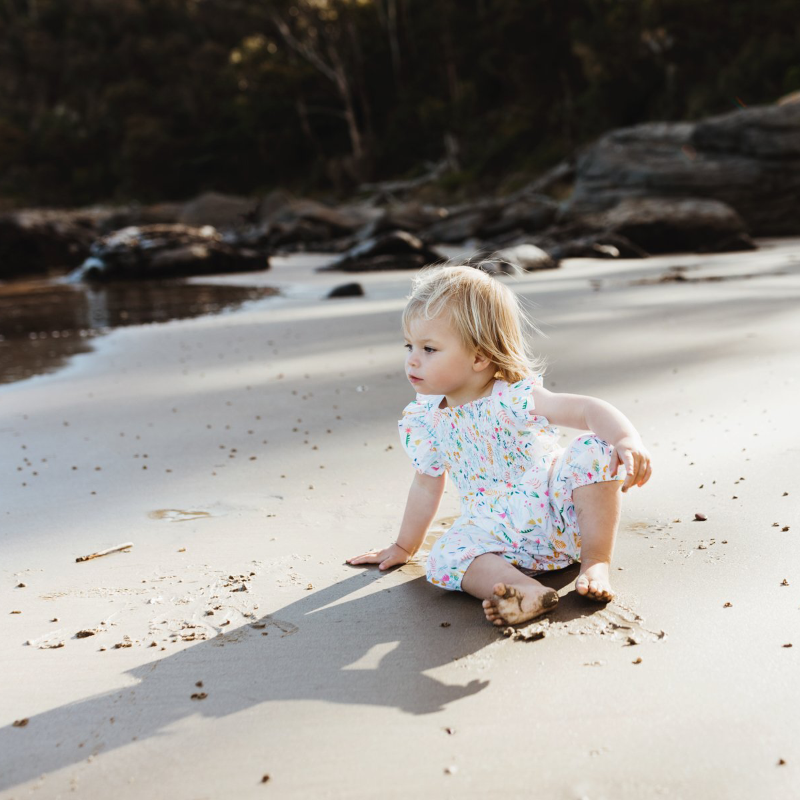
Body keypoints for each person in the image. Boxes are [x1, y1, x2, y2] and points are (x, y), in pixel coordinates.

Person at [347, 265, 652, 626]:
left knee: (595, 447)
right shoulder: (425, 418)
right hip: (497, 536)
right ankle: (524, 591)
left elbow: (586, 409)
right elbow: (426, 482)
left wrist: (625, 439)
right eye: (409, 346)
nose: (412, 359)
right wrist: (404, 546)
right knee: (443, 557)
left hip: (561, 514)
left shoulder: (511, 398)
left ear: (479, 357)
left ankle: (596, 563)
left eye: (429, 349)